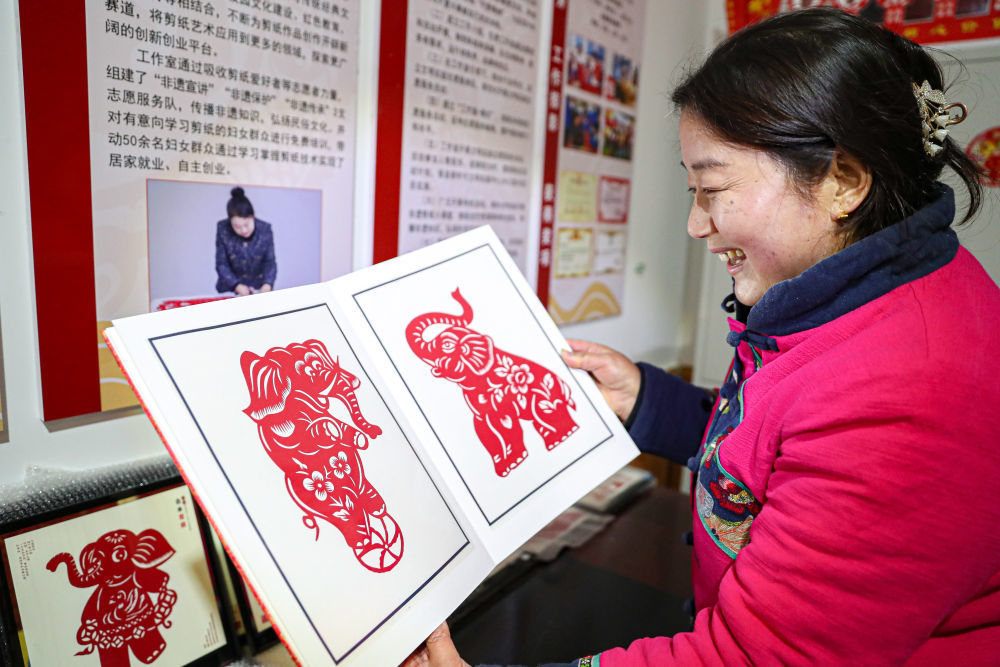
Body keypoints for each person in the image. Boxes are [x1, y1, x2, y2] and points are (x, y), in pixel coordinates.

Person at [405, 7, 1000, 666]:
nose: (696, 223)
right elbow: (775, 451)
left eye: (712, 189)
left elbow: (756, 658)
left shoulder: (913, 390)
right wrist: (647, 402)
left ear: (844, 182)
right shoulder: (858, 295)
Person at [215, 186, 276, 295]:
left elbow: (270, 262)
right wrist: (236, 285)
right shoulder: (223, 229)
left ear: (252, 217)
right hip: (230, 290)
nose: (243, 230)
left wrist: (267, 284)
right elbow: (221, 264)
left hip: (259, 288)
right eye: (237, 226)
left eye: (246, 225)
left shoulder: (265, 229)